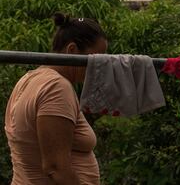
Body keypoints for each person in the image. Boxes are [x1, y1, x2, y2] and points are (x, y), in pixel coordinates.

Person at [4, 12, 107, 185]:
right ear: (72, 50)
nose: (99, 67)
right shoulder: (56, 88)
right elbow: (55, 168)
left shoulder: (29, 78)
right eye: (96, 59)